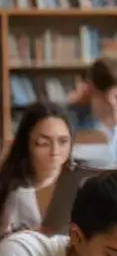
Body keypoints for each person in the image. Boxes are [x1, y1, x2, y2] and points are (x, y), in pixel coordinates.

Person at [0, 100, 73, 234]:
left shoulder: (79, 183)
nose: (55, 151)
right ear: (26, 144)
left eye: (63, 142)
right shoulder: (13, 191)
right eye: (43, 143)